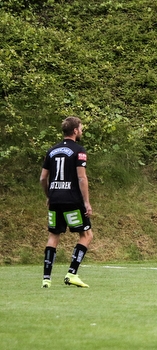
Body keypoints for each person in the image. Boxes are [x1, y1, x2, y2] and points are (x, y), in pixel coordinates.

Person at [40, 116, 93, 288]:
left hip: (55, 199)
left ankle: (46, 279)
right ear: (76, 130)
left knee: (53, 236)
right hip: (72, 199)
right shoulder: (79, 150)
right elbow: (81, 178)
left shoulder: (51, 151)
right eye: (81, 128)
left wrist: (49, 195)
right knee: (86, 235)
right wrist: (86, 202)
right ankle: (72, 274)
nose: (82, 131)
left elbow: (42, 178)